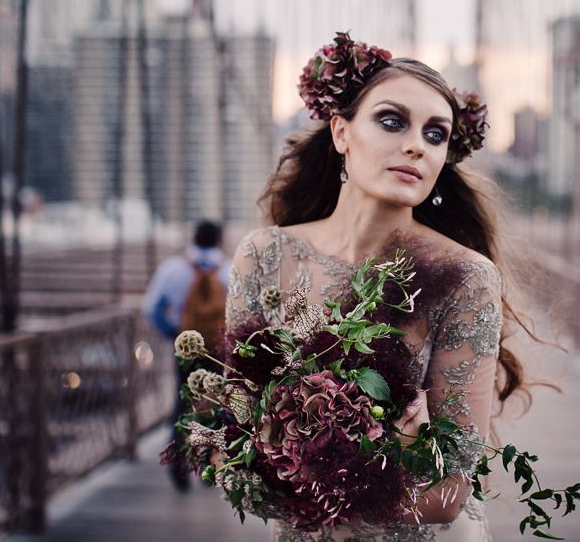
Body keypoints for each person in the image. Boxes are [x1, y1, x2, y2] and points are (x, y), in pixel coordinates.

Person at [224, 32, 529, 541]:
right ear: (341, 132)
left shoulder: (463, 277)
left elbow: (450, 493)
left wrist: (315, 476)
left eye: (437, 134)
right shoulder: (263, 257)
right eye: (392, 121)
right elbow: (232, 443)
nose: (416, 143)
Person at [143, 219, 230, 491]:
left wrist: (174, 334)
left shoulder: (173, 269)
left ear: (194, 238)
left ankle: (178, 464)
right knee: (215, 405)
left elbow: (152, 308)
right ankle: (208, 465)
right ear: (218, 239)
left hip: (186, 349)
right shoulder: (228, 269)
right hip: (218, 349)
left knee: (183, 403)